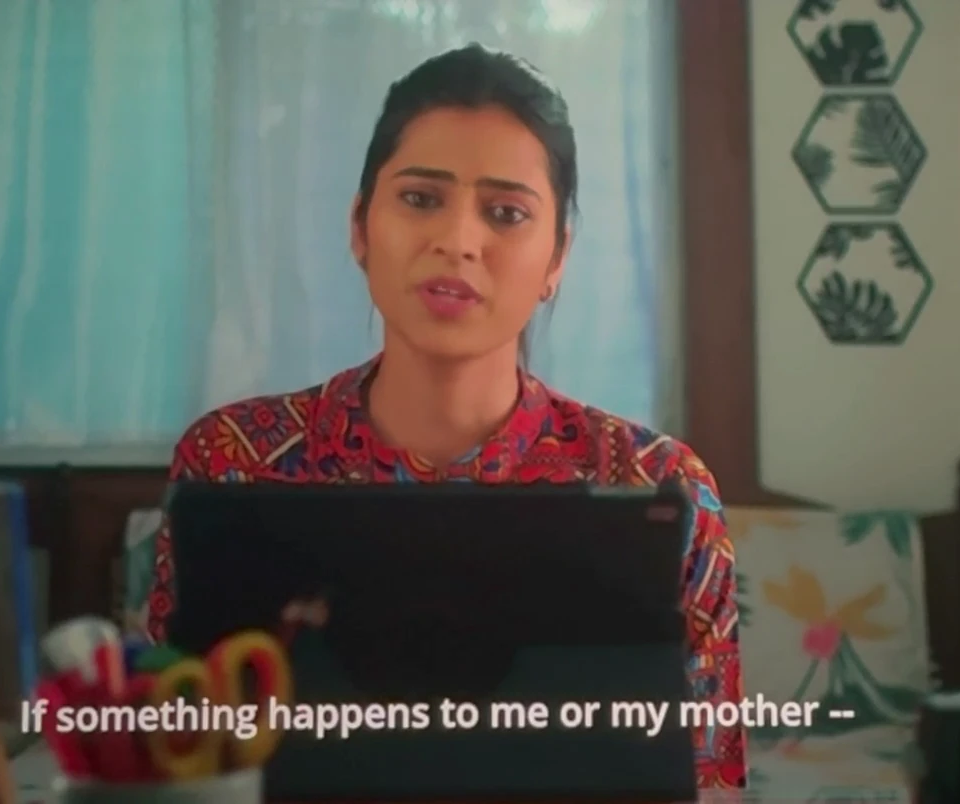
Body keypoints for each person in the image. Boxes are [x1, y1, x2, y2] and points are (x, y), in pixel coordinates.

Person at [144, 43, 745, 790]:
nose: (458, 241)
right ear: (360, 226)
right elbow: (174, 765)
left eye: (506, 213)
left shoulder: (661, 485)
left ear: (557, 258)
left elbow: (710, 781)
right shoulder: (230, 463)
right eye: (421, 199)